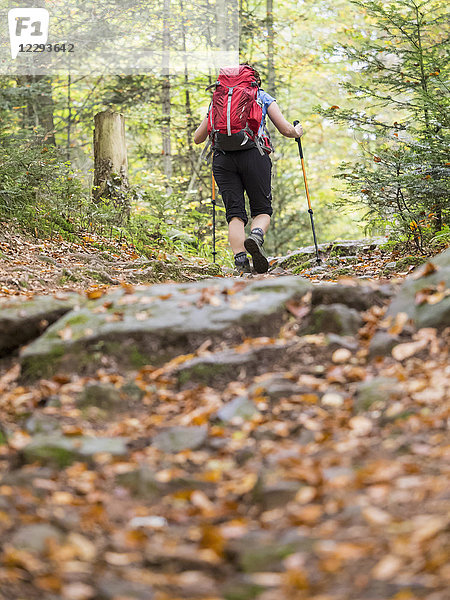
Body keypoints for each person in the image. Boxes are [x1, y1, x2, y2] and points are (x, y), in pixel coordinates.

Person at [193, 63, 304, 274]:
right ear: (255, 80)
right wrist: (297, 131)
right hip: (255, 155)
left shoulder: (217, 100)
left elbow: (198, 138)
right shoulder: (261, 96)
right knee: (261, 210)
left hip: (223, 160)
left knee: (235, 214)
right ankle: (256, 236)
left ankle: (241, 262)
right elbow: (286, 129)